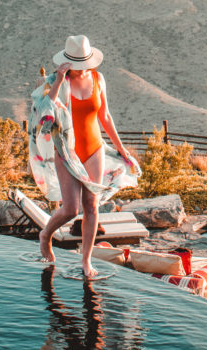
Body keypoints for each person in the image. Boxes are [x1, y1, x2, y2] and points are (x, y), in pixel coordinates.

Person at [28, 34, 139, 276]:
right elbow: (46, 108)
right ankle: (46, 234)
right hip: (67, 151)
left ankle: (86, 261)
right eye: (74, 64)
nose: (79, 69)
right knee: (70, 209)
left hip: (94, 148)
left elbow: (105, 116)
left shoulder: (99, 79)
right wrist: (58, 79)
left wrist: (121, 149)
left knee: (92, 205)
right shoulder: (58, 81)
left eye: (82, 63)